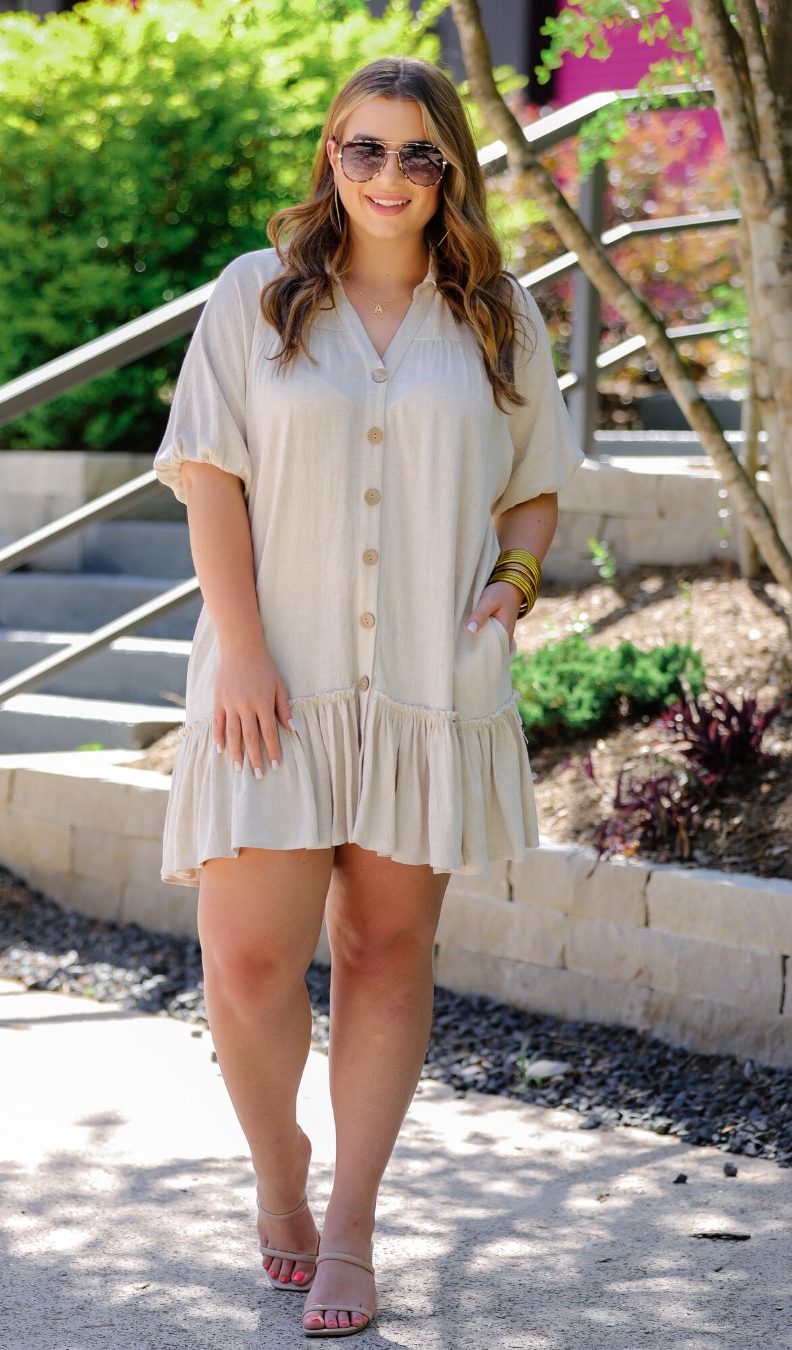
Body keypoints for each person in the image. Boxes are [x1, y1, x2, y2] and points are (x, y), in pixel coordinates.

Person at [152, 53, 584, 1340]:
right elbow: (210, 477)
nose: (387, 176)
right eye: (363, 148)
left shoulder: (498, 314)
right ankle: (279, 1172)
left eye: (417, 153)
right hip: (269, 683)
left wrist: (511, 585)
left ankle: (350, 1226)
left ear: (451, 169)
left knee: (386, 955)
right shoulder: (255, 295)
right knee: (246, 963)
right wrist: (241, 650)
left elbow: (534, 485)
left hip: (422, 690)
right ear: (330, 156)